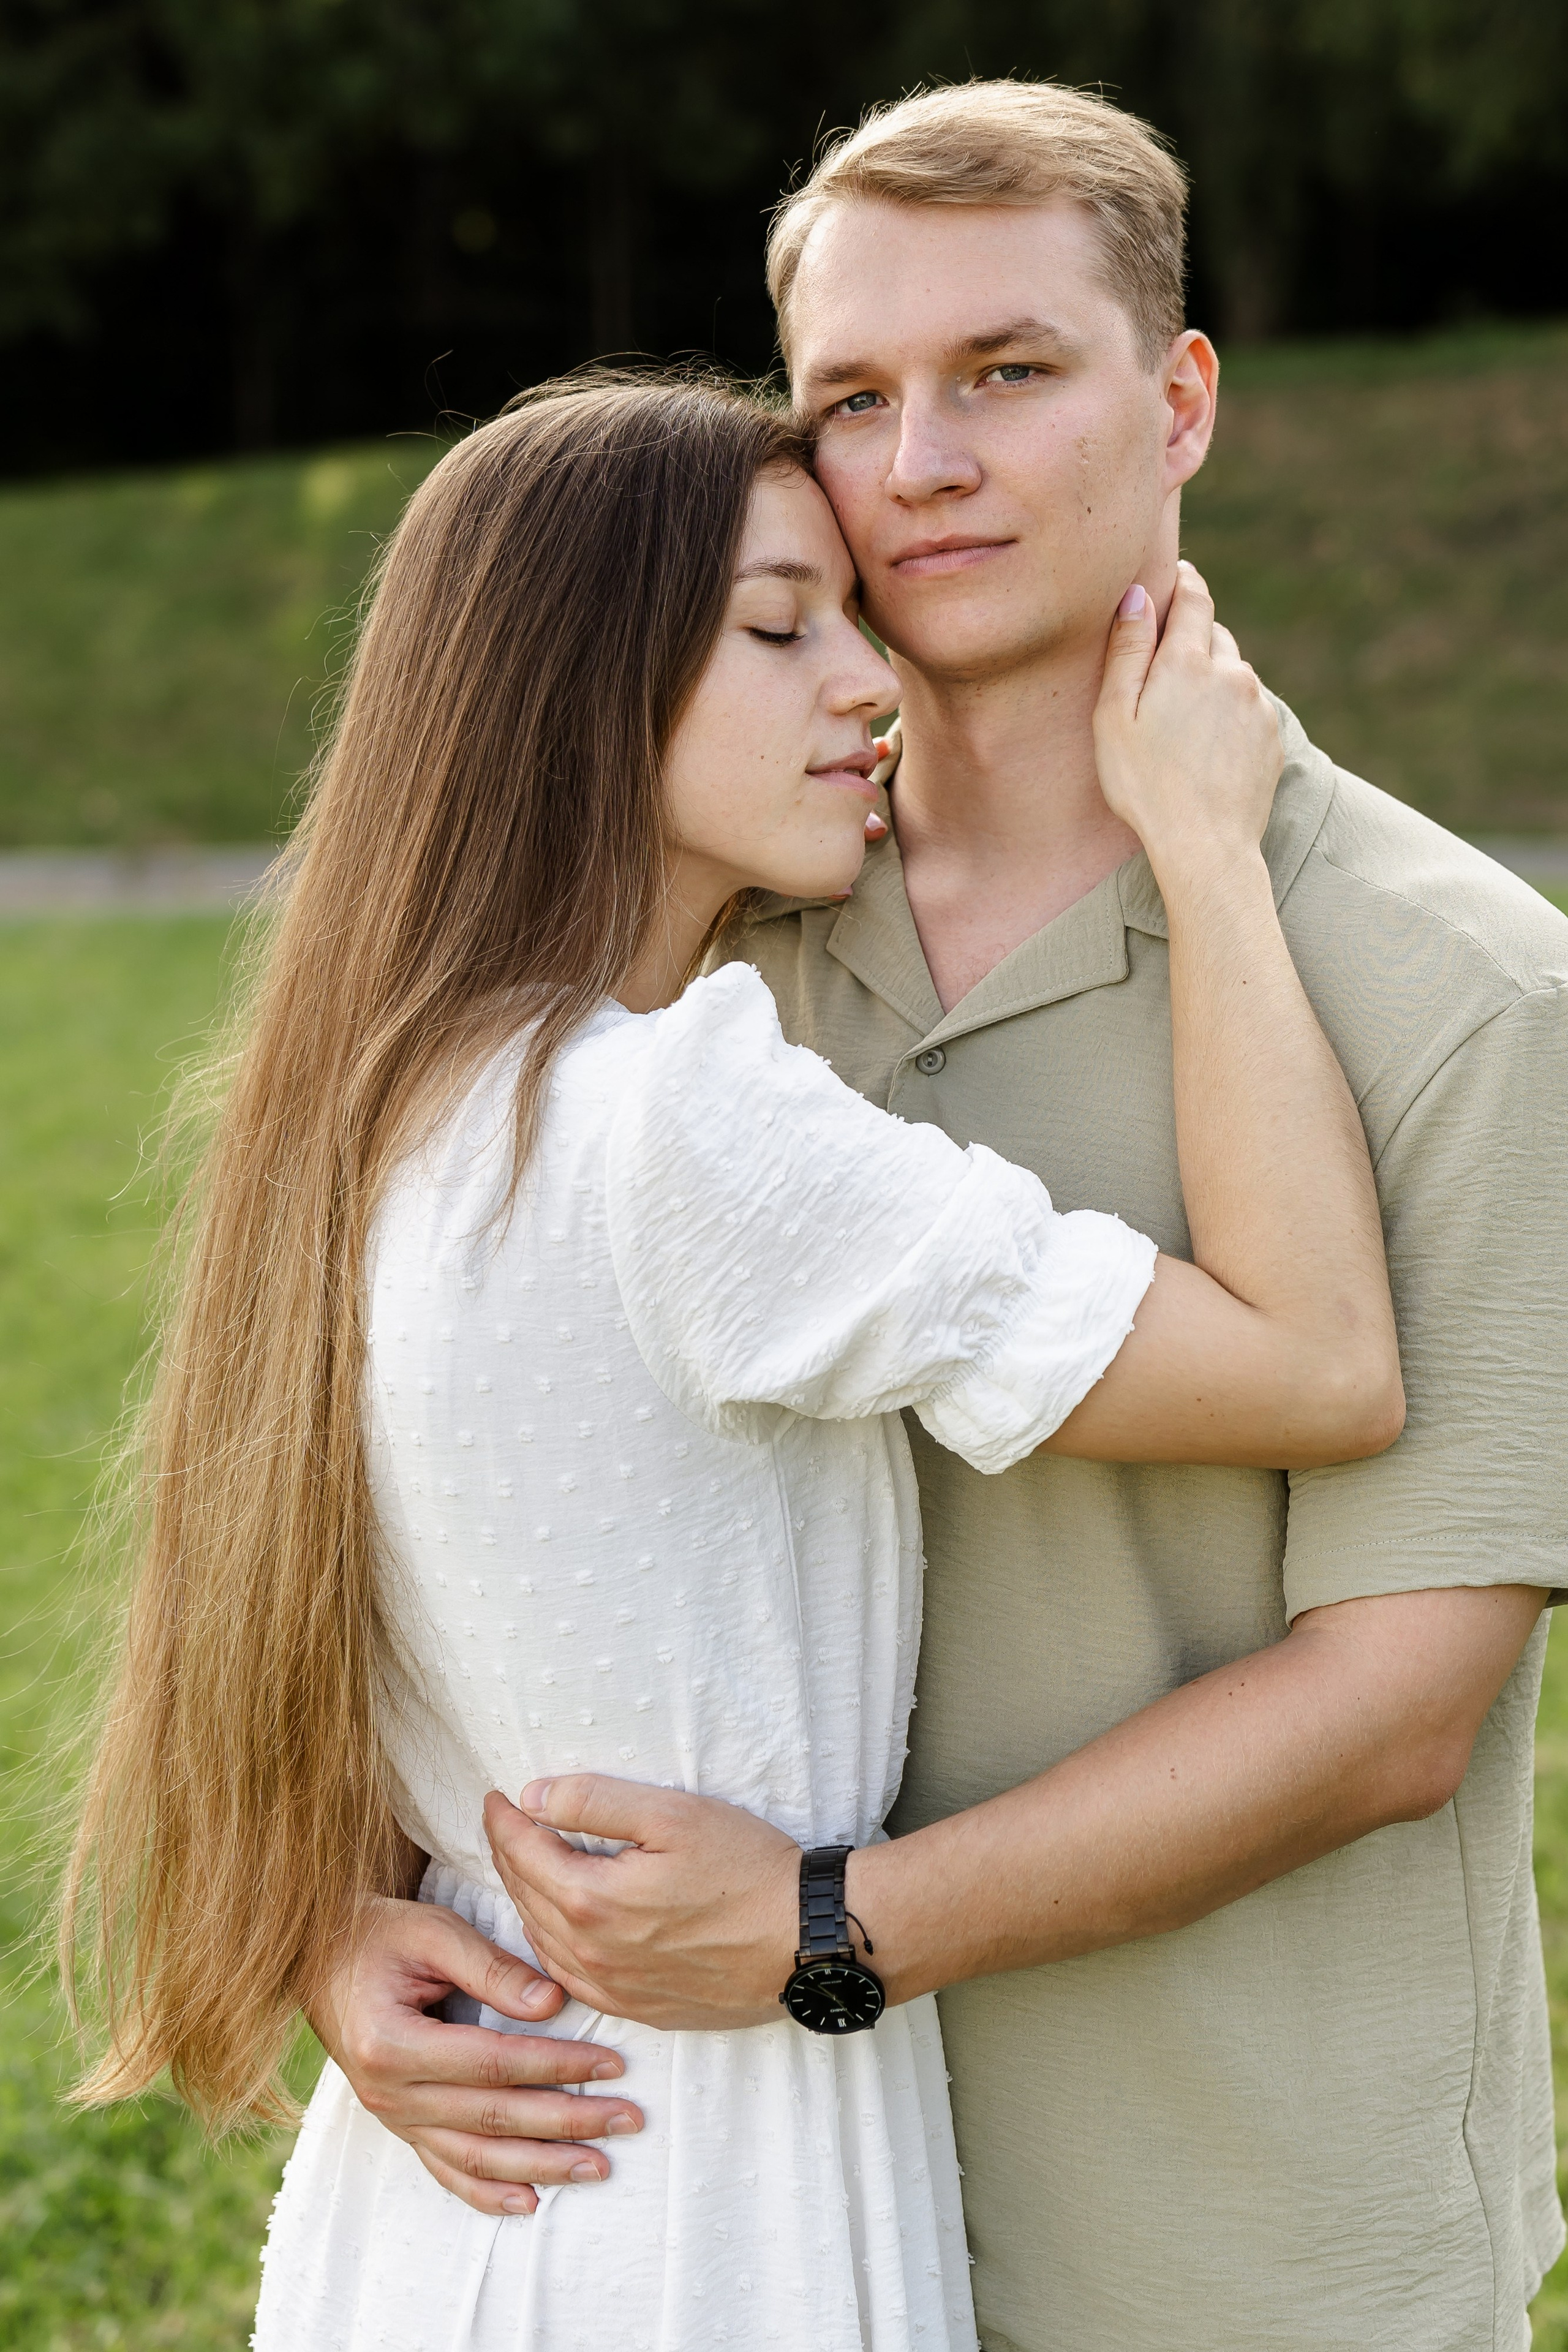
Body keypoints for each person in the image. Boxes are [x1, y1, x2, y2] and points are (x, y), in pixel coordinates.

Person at [322, 82, 1568, 2352]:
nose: (923, 465)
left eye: (1008, 372)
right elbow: (424, 1471)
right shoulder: (705, 938)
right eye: (853, 399)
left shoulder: (1461, 989)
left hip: (1241, 2235)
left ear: (1180, 402)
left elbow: (1398, 1706)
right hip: (743, 2208)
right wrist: (328, 1911)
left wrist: (830, 1929)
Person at [64, 366, 1399, 2352]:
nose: (870, 685)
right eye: (783, 630)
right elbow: (1319, 1367)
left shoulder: (374, 1104)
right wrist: (1206, 847)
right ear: (575, 690)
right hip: (694, 2194)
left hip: (451, 2194)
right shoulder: (675, 1121)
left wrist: (333, 1920)